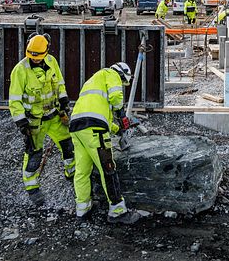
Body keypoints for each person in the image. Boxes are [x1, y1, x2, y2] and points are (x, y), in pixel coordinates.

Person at [69, 62, 141, 224]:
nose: (122, 85)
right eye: (123, 82)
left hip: (77, 126)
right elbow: (116, 97)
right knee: (107, 168)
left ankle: (83, 210)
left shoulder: (93, 83)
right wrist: (122, 116)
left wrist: (119, 130)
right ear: (122, 75)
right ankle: (117, 211)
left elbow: (105, 119)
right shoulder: (110, 74)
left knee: (82, 171)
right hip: (94, 128)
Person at [9, 34, 75, 206]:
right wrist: (21, 122)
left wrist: (64, 101)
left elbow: (59, 83)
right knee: (34, 154)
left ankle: (72, 173)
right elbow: (14, 100)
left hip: (54, 115)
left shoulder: (52, 61)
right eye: (33, 57)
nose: (36, 60)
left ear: (46, 52)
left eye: (39, 57)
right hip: (34, 121)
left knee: (68, 145)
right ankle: (31, 187)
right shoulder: (20, 70)